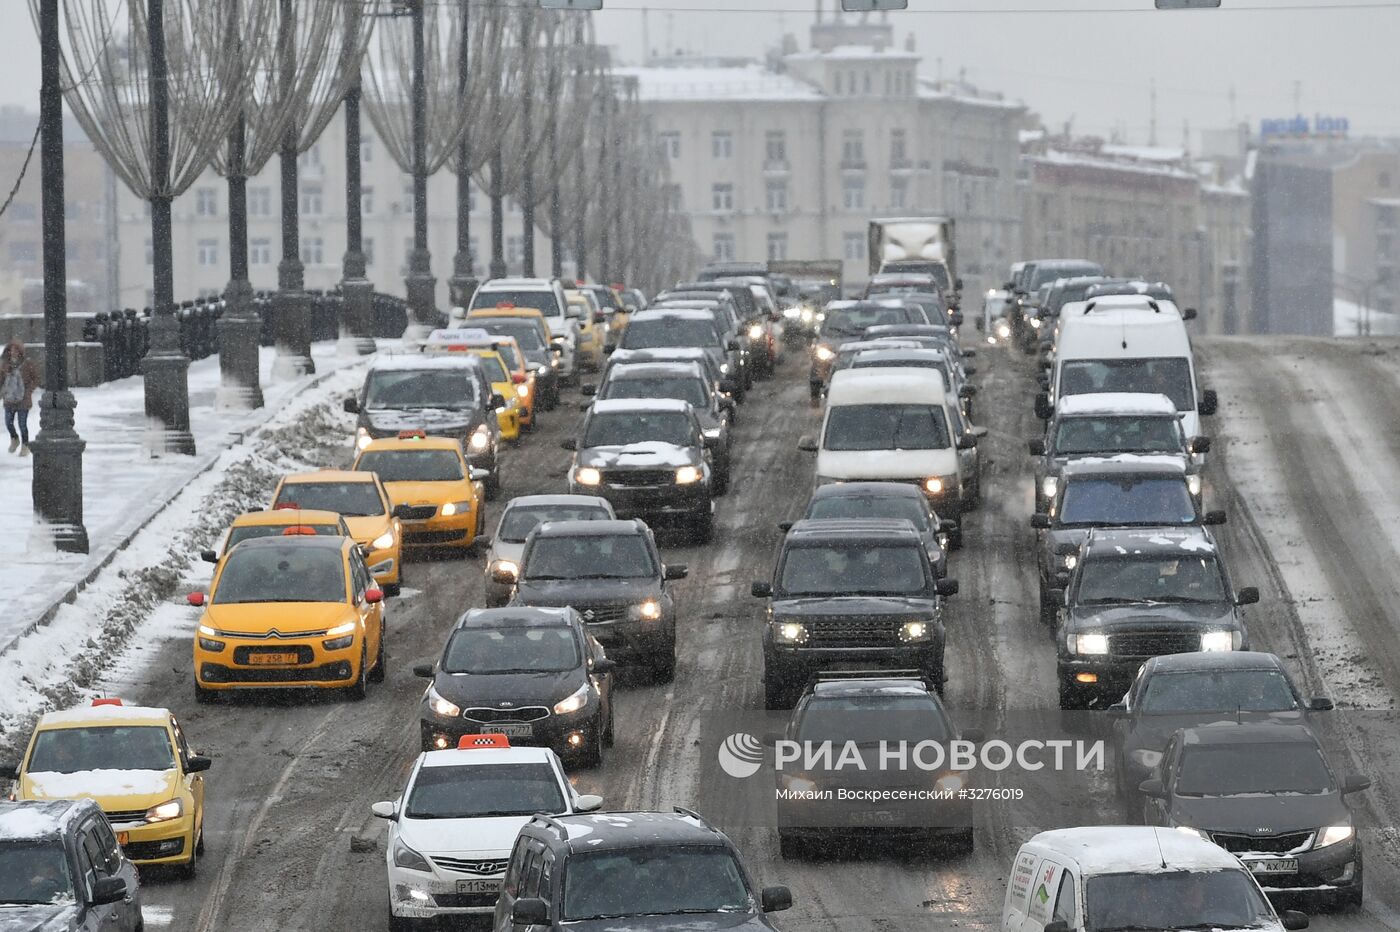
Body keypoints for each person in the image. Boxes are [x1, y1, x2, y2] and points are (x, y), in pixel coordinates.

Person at [1, 338, 40, 456]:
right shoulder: (4, 364)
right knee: (8, 423)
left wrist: (29, 391)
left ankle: (25, 445)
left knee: (22, 424)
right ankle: (14, 439)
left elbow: (36, 379)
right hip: (9, 399)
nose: (13, 352)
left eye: (16, 350)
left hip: (23, 399)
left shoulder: (27, 364)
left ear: (20, 351)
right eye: (11, 350)